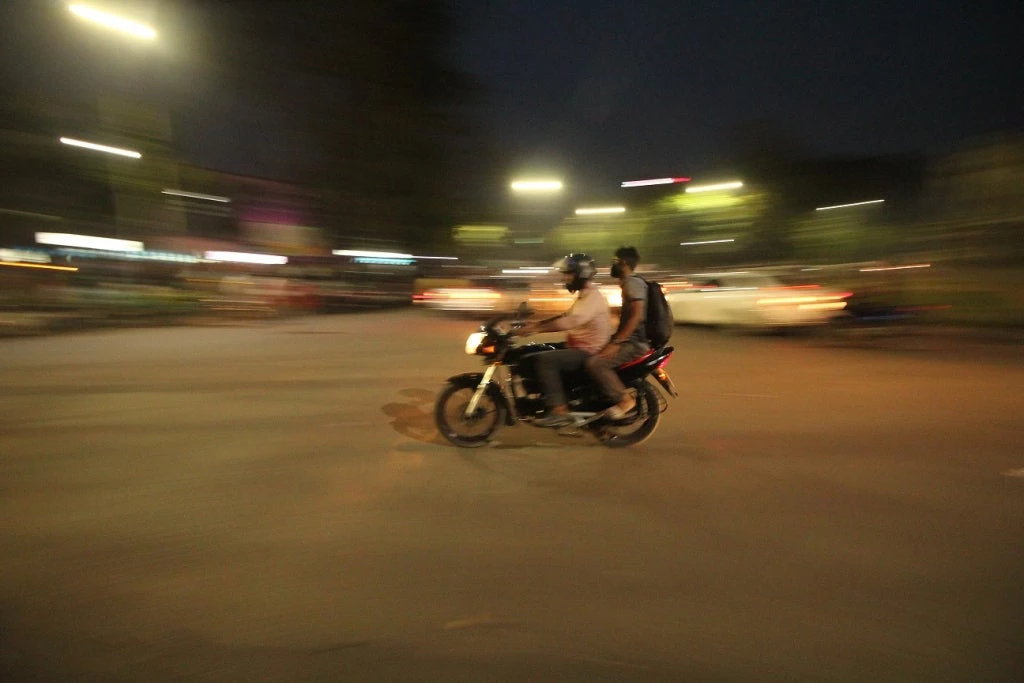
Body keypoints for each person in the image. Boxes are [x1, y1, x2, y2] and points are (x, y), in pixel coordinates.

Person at [515, 253, 611, 427]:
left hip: (588, 351)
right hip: (578, 345)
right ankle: (547, 397)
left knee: (544, 361)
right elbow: (566, 315)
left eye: (569, 274)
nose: (565, 278)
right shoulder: (585, 296)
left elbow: (571, 321)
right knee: (532, 352)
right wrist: (536, 324)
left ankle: (559, 410)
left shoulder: (593, 298)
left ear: (580, 274)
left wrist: (538, 329)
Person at [586, 246, 650, 420]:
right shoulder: (629, 283)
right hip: (629, 340)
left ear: (622, 263)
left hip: (635, 344)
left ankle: (624, 400)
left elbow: (636, 316)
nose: (611, 266)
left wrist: (617, 343)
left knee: (596, 364)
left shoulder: (632, 282)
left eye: (613, 262)